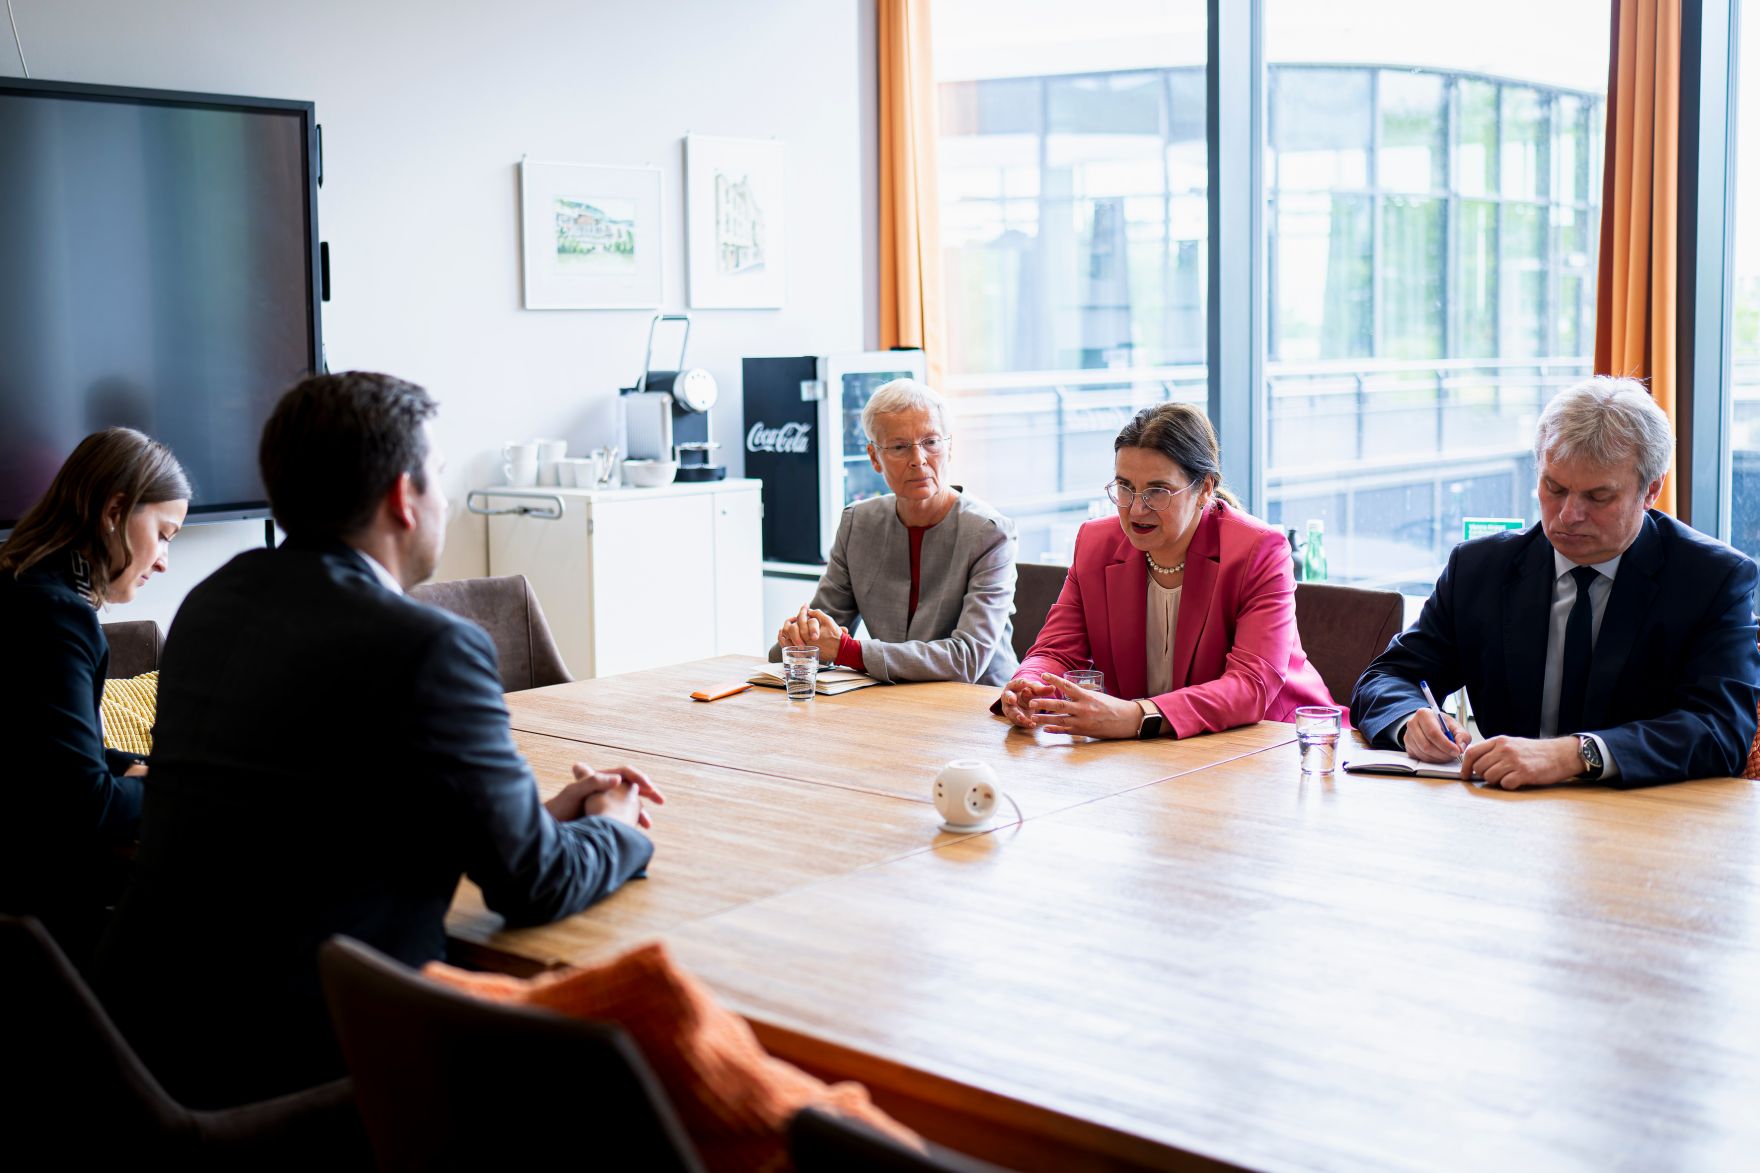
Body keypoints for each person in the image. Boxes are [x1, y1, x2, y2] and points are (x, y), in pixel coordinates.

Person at [97, 372, 662, 1108]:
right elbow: (533, 885)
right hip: (311, 1071)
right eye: (440, 480)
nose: (448, 502)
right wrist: (617, 828)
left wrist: (532, 813)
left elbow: (311, 809)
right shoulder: (430, 644)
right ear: (403, 495)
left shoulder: (212, 604)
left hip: (144, 1047)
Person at [1352, 376, 1760, 789]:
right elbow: (1384, 680)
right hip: (1507, 814)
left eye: (1597, 497)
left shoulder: (1711, 580)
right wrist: (1411, 722)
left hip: (1645, 820)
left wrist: (1577, 753)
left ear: (1650, 490)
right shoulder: (1480, 569)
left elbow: (1721, 730)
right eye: (1554, 487)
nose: (1568, 515)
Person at [999, 403, 1332, 739]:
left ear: (1204, 488)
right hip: (1156, 753)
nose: (1136, 508)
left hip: (1275, 742)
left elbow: (1251, 685)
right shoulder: (1096, 543)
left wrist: (1136, 716)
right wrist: (1031, 684)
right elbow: (1056, 651)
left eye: (1157, 491)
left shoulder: (1259, 549)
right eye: (1125, 487)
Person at [0, 429, 189, 964]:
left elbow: (38, 746)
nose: (163, 561)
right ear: (114, 512)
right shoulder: (59, 617)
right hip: (47, 929)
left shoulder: (18, 587)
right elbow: (86, 805)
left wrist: (128, 765)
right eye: (165, 534)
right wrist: (182, 788)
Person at [773, 377, 1018, 685]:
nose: (919, 460)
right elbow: (821, 630)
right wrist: (797, 638)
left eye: (931, 442)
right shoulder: (858, 524)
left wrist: (847, 650)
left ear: (949, 447)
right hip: (891, 702)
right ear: (875, 457)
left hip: (979, 708)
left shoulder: (989, 533)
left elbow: (967, 659)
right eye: (900, 447)